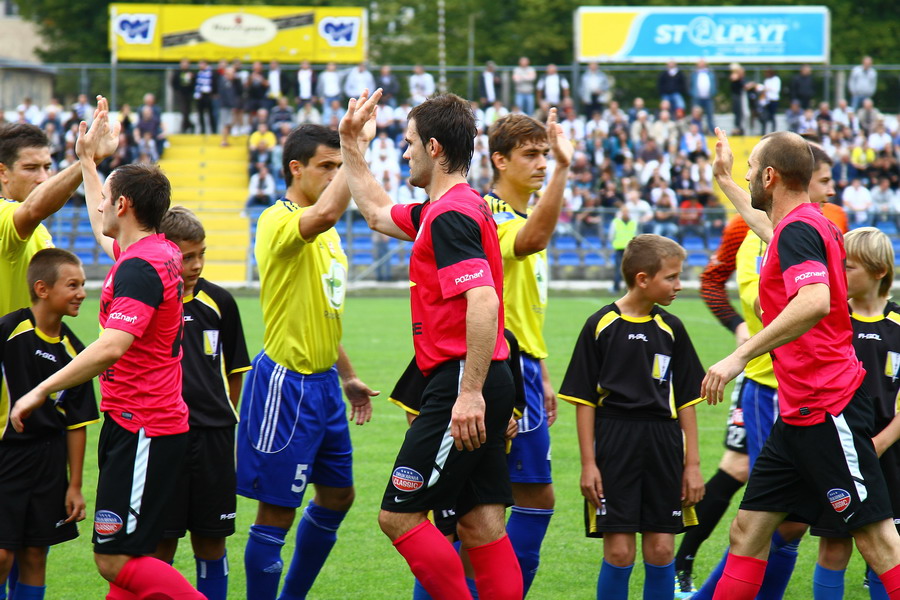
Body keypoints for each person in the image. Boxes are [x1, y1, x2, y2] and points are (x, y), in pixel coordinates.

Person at [10, 101, 204, 599]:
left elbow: (112, 347)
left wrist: (39, 391)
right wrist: (90, 163)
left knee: (113, 557)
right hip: (144, 422)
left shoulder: (141, 267)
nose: (98, 203)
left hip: (144, 424)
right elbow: (103, 229)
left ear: (123, 207)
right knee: (131, 556)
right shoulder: (153, 249)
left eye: (106, 198)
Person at [339, 89, 523, 600]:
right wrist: (350, 143)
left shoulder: (449, 215)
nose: (404, 154)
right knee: (480, 525)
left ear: (436, 148)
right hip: (482, 377)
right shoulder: (448, 209)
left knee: (398, 515)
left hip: (462, 382)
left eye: (409, 143)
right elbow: (376, 213)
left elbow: (483, 303)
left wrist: (470, 393)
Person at [702, 129, 900, 600]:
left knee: (877, 542)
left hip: (828, 406)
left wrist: (738, 355)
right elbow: (768, 230)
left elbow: (813, 301)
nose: (748, 176)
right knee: (747, 532)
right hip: (797, 414)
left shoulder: (800, 230)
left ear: (770, 176)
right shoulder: (811, 224)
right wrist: (726, 180)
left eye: (751, 170)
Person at [236, 118, 378, 600]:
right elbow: (326, 215)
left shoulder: (328, 233)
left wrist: (349, 375)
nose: (336, 173)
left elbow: (321, 310)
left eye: (340, 166)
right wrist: (355, 147)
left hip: (324, 385)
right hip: (286, 385)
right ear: (296, 169)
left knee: (339, 496)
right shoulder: (278, 219)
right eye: (327, 166)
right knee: (277, 509)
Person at [559, 233, 705, 599]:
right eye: (671, 277)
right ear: (643, 279)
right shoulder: (600, 325)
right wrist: (588, 465)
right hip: (614, 443)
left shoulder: (673, 328)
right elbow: (583, 401)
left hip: (663, 443)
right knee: (620, 552)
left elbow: (687, 400)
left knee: (661, 550)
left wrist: (693, 465)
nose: (679, 285)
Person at [483, 110, 572, 595]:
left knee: (495, 504)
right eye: (531, 155)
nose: (540, 163)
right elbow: (534, 239)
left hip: (526, 371)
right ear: (499, 160)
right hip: (500, 372)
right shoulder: (492, 215)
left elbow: (522, 312)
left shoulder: (518, 216)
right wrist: (563, 167)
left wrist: (542, 373)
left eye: (545, 154)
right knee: (521, 499)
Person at [153, 207, 251, 600]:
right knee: (161, 545)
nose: (195, 265)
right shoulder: (151, 301)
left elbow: (235, 369)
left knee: (212, 542)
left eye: (201, 255)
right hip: (165, 436)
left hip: (213, 438)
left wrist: (223, 412)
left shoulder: (220, 301)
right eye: (186, 257)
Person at [0, 249, 99, 600]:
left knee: (34, 554)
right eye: (72, 285)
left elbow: (78, 423)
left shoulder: (77, 353)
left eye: (83, 285)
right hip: (7, 457)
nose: (82, 293)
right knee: (1, 555)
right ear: (42, 289)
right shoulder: (9, 330)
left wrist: (74, 486)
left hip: (50, 464)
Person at [810, 227, 900, 599]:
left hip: (889, 448)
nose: (838, 274)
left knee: (887, 548)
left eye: (847, 268)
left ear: (879, 271)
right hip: (838, 447)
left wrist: (880, 442)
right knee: (834, 546)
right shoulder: (831, 318)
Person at [0, 114, 116, 318]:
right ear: (3, 172)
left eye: (47, 167)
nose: (43, 178)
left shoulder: (38, 229)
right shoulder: (4, 217)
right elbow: (34, 209)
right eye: (31, 168)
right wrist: (88, 160)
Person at [691, 59, 717, 134]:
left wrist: (713, 92)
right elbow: (689, 84)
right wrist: (692, 93)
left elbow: (715, 84)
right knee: (695, 116)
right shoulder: (694, 73)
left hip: (708, 98)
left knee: (710, 116)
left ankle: (712, 132)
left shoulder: (710, 73)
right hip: (697, 98)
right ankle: (696, 132)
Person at [172, 59, 195, 133]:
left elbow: (194, 83)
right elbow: (173, 82)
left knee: (188, 111)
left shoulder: (191, 73)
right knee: (184, 111)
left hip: (188, 94)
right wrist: (177, 91)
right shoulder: (177, 73)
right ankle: (186, 126)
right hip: (181, 94)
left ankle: (188, 125)